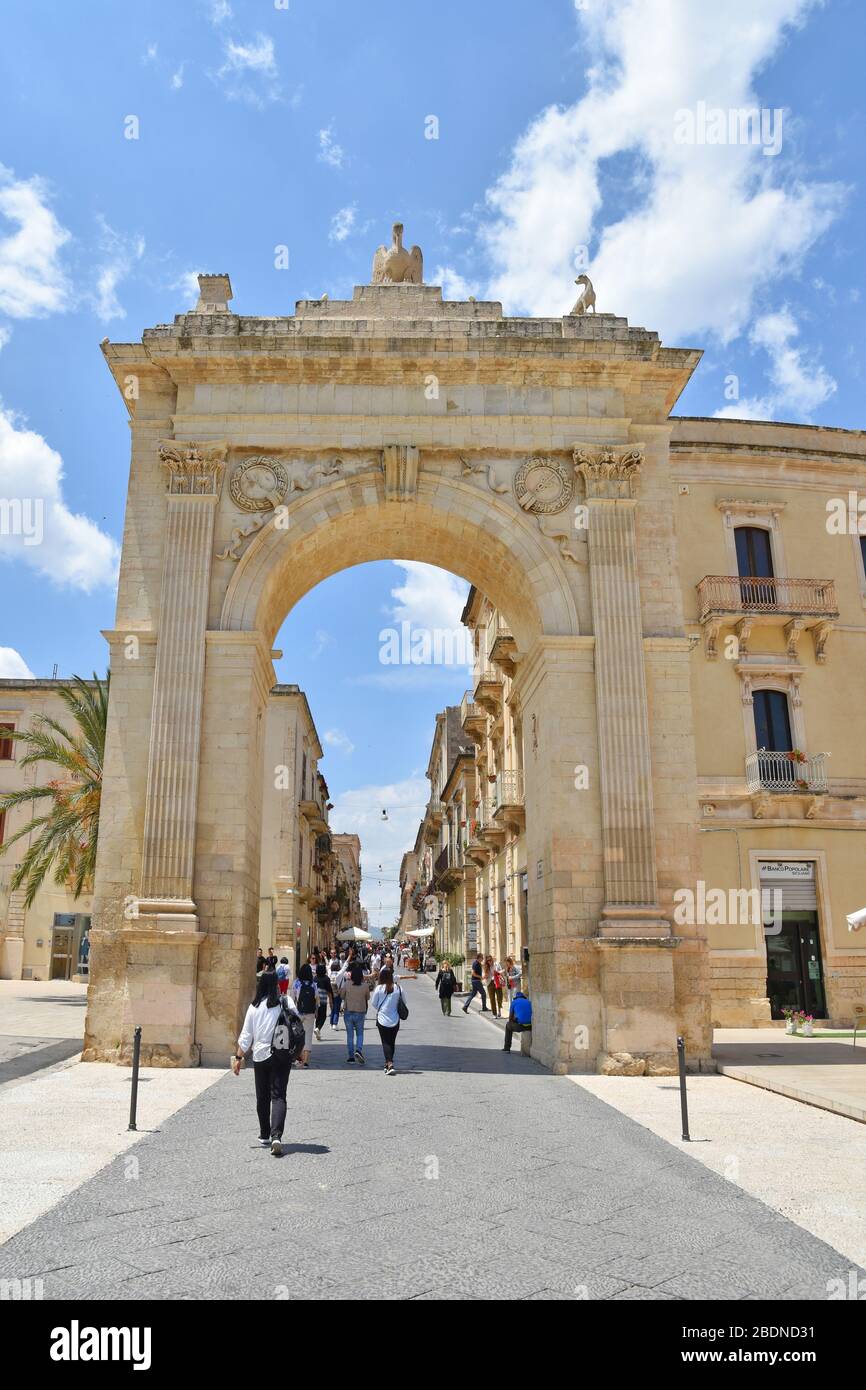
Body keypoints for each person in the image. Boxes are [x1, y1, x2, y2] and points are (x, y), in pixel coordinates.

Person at [233, 971, 300, 1156]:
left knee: (262, 1097)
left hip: (261, 1055)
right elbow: (296, 1022)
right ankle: (276, 1136)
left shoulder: (254, 1007)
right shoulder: (286, 1002)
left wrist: (238, 1058)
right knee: (279, 1096)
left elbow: (246, 1036)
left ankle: (264, 1134)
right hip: (282, 1053)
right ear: (277, 984)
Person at [371, 966, 403, 1076]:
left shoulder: (379, 988)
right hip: (395, 1019)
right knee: (391, 1042)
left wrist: (382, 1009)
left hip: (382, 1019)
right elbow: (405, 1001)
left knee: (385, 1042)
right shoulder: (398, 988)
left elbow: (374, 1003)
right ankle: (387, 1064)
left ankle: (390, 1063)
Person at [340, 963, 371, 1064]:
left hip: (348, 1011)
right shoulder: (365, 986)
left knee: (350, 1035)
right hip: (360, 1012)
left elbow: (342, 995)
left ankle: (351, 1057)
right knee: (360, 1033)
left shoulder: (347, 984)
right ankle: (358, 1050)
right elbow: (368, 997)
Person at [292, 962, 318, 1066]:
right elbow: (317, 1000)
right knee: (308, 1036)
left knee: (298, 1036)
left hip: (298, 1012)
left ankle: (300, 1057)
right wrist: (316, 1011)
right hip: (310, 1013)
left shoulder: (296, 983)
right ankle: (306, 1061)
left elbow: (292, 998)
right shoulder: (313, 984)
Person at [314, 955, 332, 1040]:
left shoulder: (315, 978)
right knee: (323, 1016)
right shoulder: (326, 979)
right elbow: (329, 991)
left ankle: (317, 1031)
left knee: (317, 1016)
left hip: (315, 999)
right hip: (323, 1000)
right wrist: (331, 1001)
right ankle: (318, 1029)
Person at [328, 950, 343, 1028]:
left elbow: (328, 968)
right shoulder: (339, 974)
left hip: (331, 991)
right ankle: (334, 1023)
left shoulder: (330, 973)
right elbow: (344, 968)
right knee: (337, 1008)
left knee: (333, 1007)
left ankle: (331, 1023)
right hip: (338, 992)